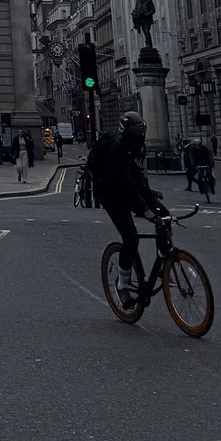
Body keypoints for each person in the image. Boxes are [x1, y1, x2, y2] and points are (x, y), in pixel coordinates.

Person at [86, 111, 168, 308]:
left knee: (165, 218)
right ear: (128, 132)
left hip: (131, 189)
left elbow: (139, 179)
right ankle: (122, 284)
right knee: (131, 237)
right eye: (136, 133)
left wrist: (152, 203)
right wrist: (145, 210)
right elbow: (124, 184)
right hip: (111, 193)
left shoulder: (138, 147)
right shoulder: (115, 149)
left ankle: (165, 261)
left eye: (142, 133)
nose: (140, 137)